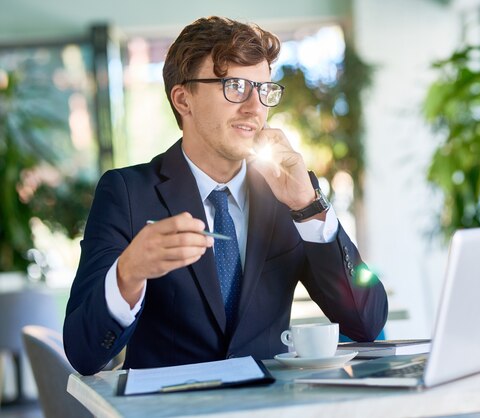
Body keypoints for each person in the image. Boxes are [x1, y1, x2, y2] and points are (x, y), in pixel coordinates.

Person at [63, 16, 388, 376]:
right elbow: (84, 353)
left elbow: (366, 323)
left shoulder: (292, 192)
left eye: (264, 90)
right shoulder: (127, 193)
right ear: (183, 99)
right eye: (235, 86)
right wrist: (129, 273)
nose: (254, 108)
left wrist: (308, 209)